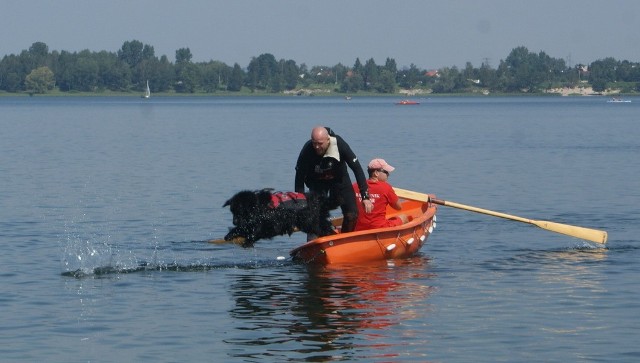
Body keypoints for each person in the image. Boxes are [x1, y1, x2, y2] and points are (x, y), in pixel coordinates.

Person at [295, 126, 373, 234]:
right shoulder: (307, 149)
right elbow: (299, 177)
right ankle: (318, 240)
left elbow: (357, 169)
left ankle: (344, 239)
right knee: (314, 217)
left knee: (352, 214)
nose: (317, 147)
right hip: (317, 181)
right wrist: (299, 200)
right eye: (314, 143)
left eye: (320, 143)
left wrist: (365, 196)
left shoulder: (340, 145)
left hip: (339, 179)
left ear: (328, 140)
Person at [353, 158, 407, 231]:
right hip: (380, 228)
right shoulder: (386, 187)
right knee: (403, 217)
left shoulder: (355, 186)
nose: (388, 175)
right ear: (376, 173)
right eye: (386, 172)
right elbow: (399, 207)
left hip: (359, 228)